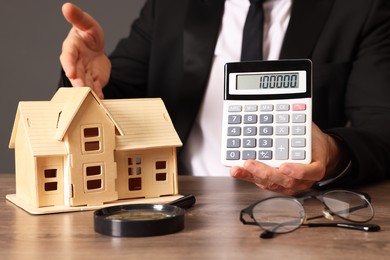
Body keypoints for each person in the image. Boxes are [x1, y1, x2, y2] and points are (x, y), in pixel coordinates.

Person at [59, 0, 390, 195]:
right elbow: (116, 103)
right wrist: (84, 80)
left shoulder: (362, 8)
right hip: (186, 205)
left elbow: (381, 128)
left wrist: (331, 152)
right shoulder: (171, 6)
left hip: (304, 212)